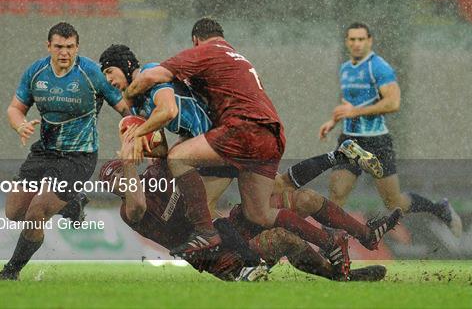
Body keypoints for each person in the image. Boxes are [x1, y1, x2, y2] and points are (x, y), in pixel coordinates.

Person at [123, 18, 354, 278]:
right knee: (260, 213)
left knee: (179, 158)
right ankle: (330, 241)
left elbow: (155, 76)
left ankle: (207, 235)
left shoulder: (206, 51)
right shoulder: (239, 58)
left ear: (195, 40)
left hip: (243, 128)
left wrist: (129, 99)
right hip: (272, 132)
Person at [101, 127, 391, 282]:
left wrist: (144, 131)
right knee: (282, 237)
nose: (119, 182)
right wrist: (126, 165)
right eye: (113, 181)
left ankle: (357, 225)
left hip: (226, 227)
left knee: (298, 196)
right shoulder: (130, 211)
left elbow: (167, 144)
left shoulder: (161, 173)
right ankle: (336, 271)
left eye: (119, 174)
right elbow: (137, 203)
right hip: (216, 253)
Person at [0, 22, 128, 280]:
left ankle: (11, 271)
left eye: (69, 47)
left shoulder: (91, 73)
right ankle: (73, 204)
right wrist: (19, 124)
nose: (64, 52)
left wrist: (136, 134)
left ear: (77, 47)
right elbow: (14, 108)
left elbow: (124, 108)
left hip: (79, 156)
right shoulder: (36, 72)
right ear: (48, 47)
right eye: (58, 47)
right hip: (44, 151)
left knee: (36, 214)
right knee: (14, 212)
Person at [318, 22, 462, 237]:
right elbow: (349, 103)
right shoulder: (346, 68)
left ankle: (439, 208)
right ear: (347, 42)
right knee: (336, 192)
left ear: (369, 41)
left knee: (394, 203)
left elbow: (393, 103)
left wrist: (354, 112)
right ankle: (329, 247)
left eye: (361, 39)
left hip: (377, 141)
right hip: (350, 140)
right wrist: (333, 121)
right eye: (352, 39)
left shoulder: (379, 67)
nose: (356, 44)